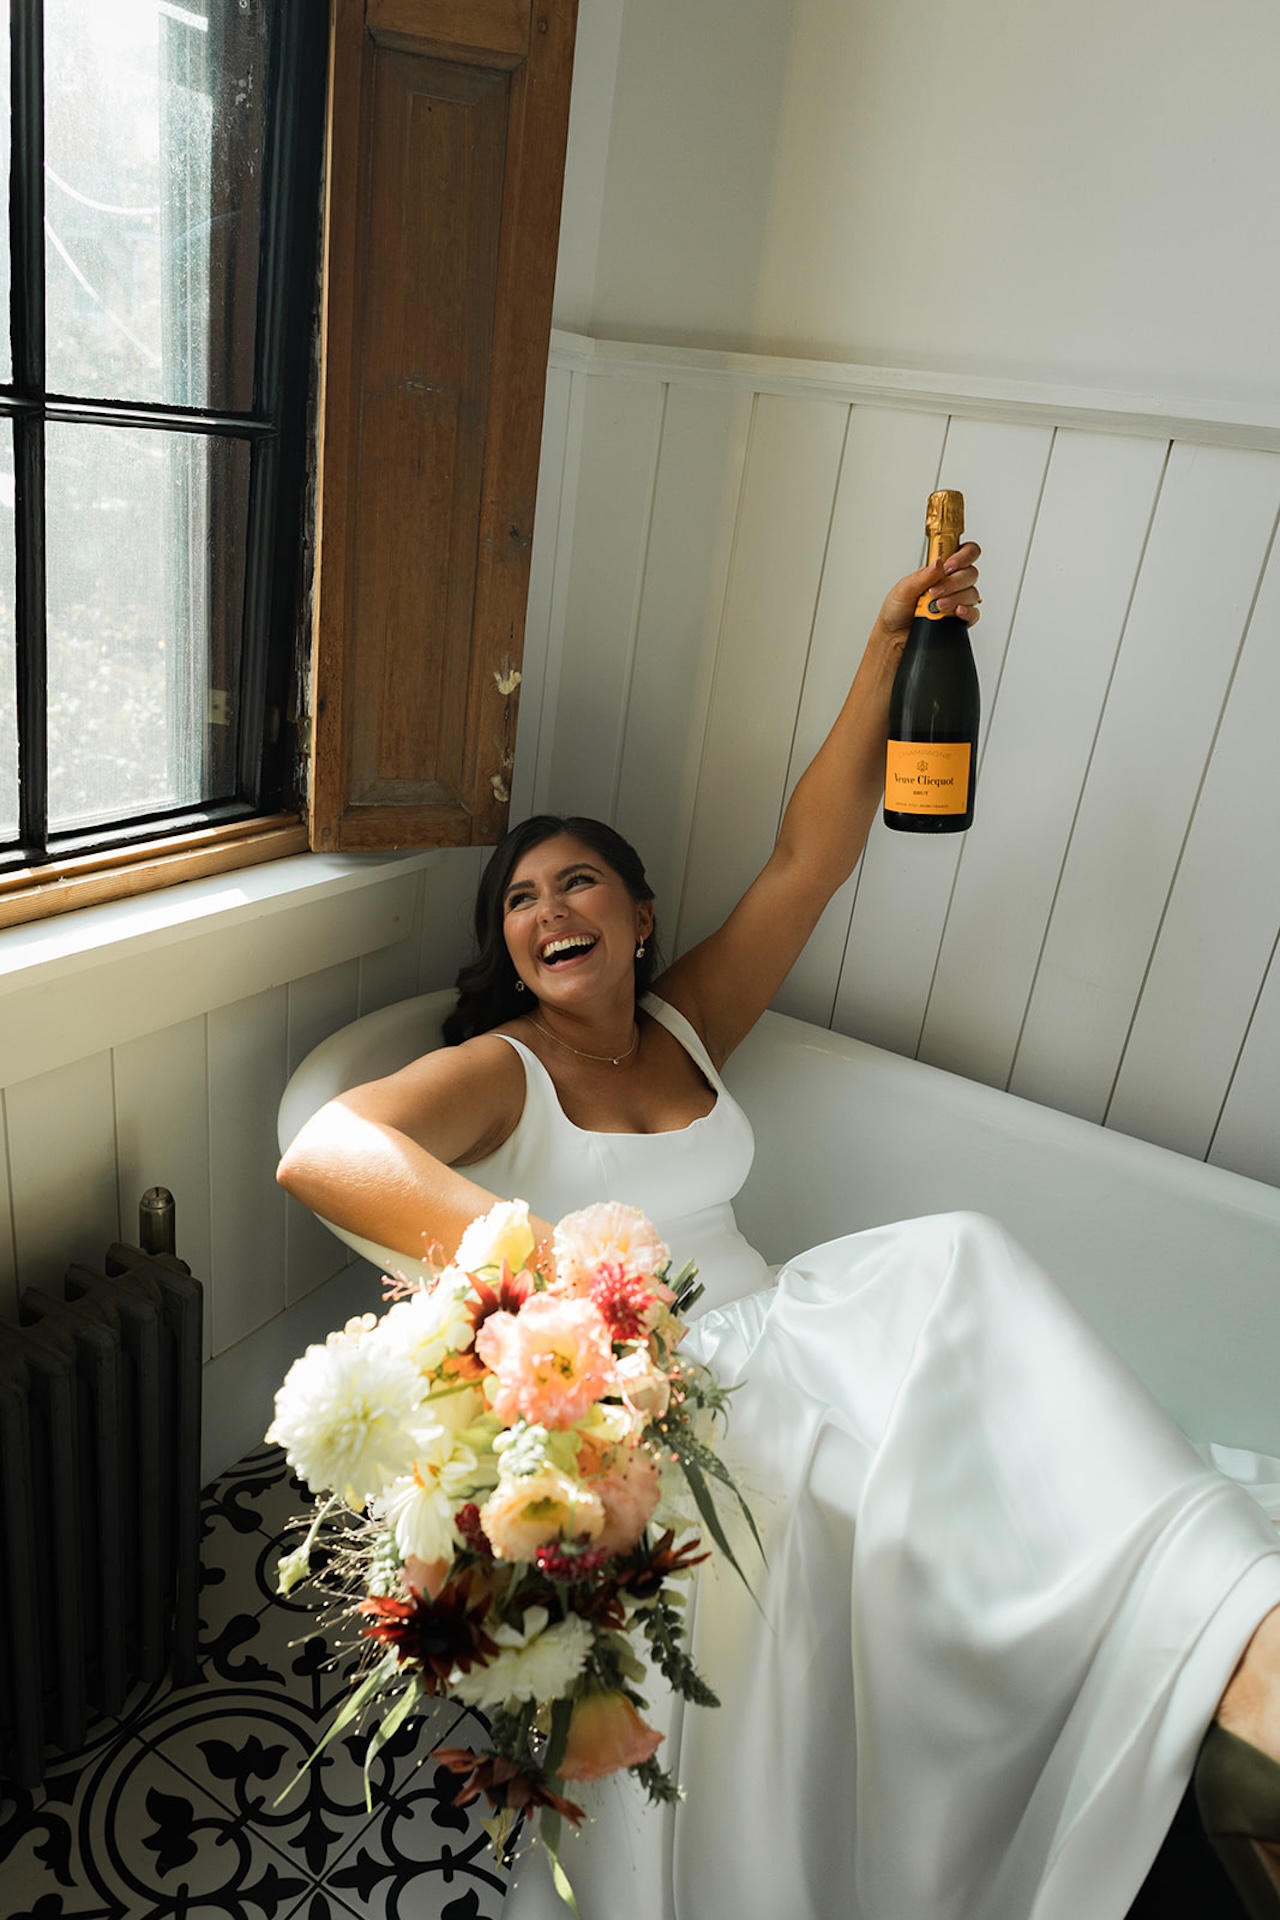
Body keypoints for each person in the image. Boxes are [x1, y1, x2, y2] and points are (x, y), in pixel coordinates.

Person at [278, 542, 1280, 1920]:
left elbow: (815, 850)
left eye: (577, 885)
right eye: (518, 900)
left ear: (639, 919)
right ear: (507, 953)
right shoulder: (506, 1066)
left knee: (958, 1255)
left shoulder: (687, 1023)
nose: (546, 910)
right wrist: (559, 1295)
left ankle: (1228, 1628)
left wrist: (889, 636)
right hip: (677, 1393)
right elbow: (325, 1148)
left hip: (805, 1329)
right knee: (924, 1388)